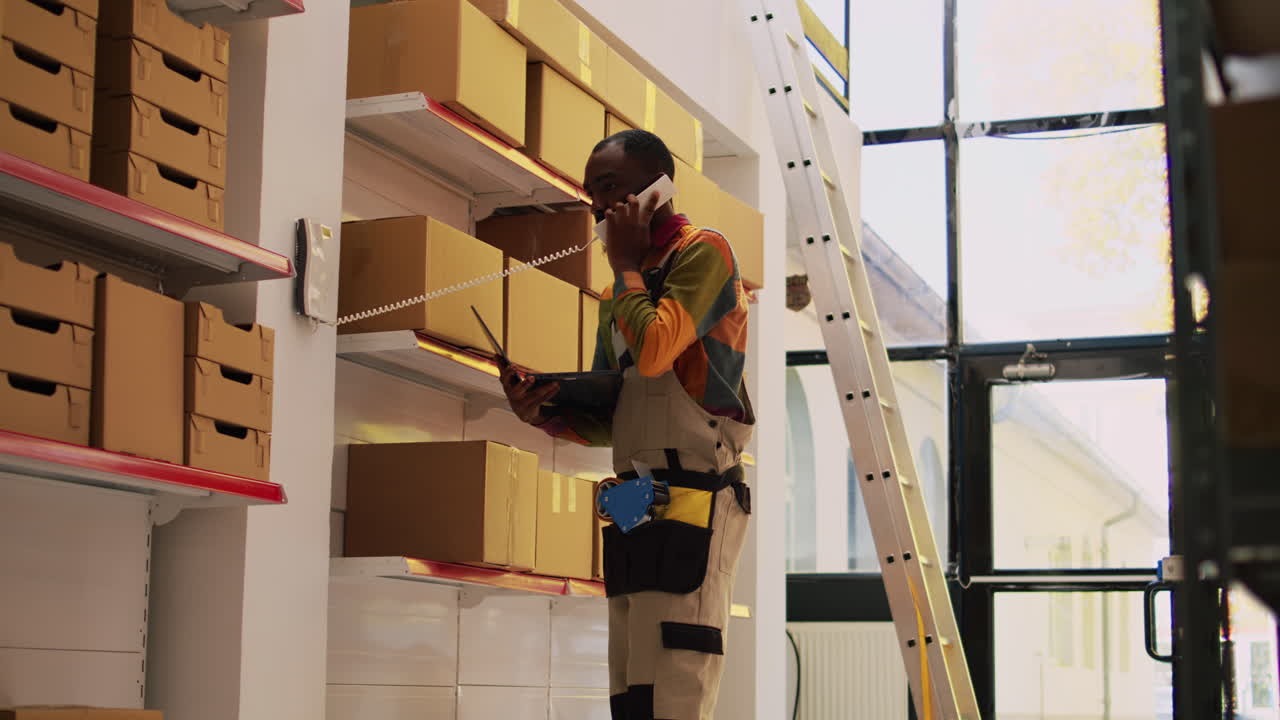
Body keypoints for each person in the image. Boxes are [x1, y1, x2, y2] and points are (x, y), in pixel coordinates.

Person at [500, 129, 755, 720]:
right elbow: (616, 413)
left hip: (695, 495)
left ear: (656, 189)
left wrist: (624, 264)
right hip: (633, 500)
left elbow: (657, 350)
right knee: (632, 688)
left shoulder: (704, 253)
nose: (597, 204)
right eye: (591, 192)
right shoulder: (619, 291)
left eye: (610, 187)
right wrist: (547, 412)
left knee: (676, 682)